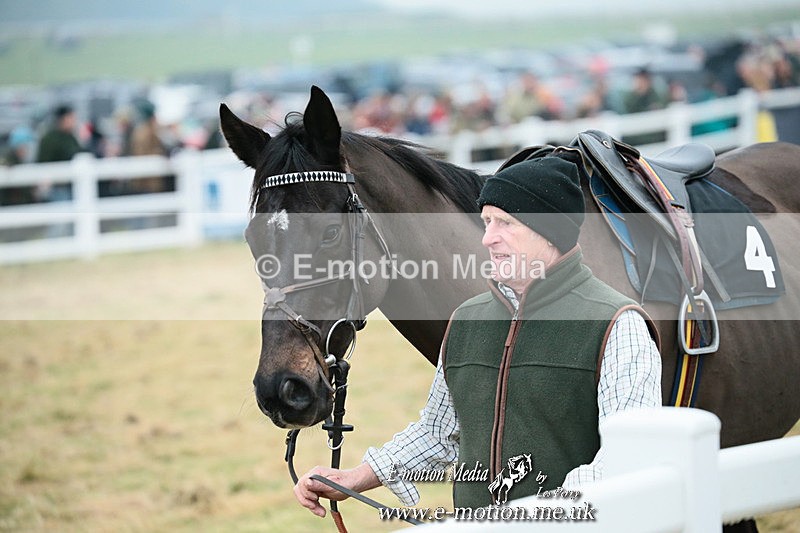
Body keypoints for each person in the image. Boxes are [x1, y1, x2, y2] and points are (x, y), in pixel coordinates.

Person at [294, 156, 662, 515]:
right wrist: (354, 477)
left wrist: (537, 519)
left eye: (504, 223)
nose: (487, 239)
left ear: (548, 230)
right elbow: (438, 433)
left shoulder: (618, 325)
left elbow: (627, 456)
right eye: (486, 222)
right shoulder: (468, 320)